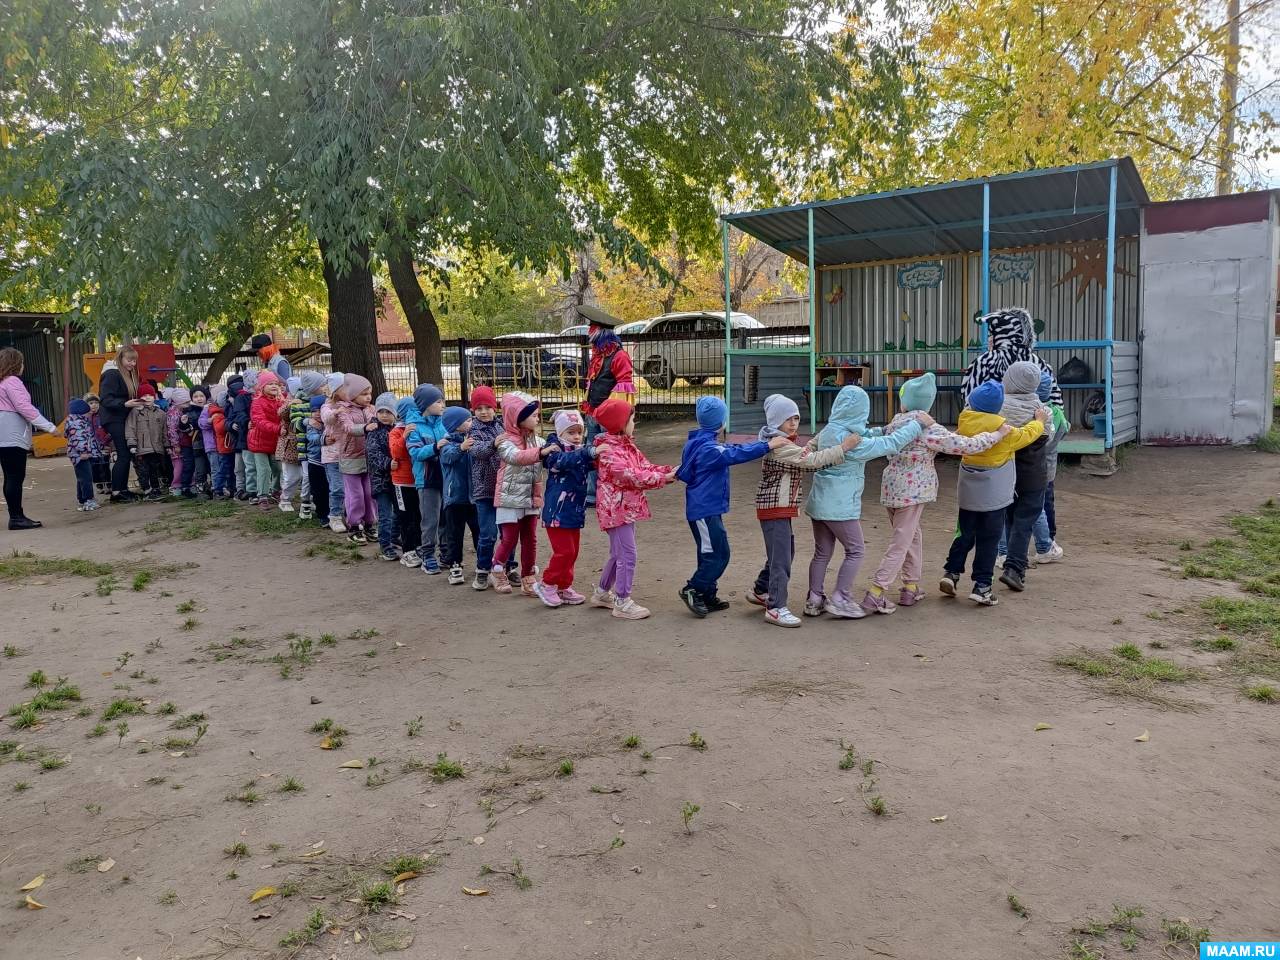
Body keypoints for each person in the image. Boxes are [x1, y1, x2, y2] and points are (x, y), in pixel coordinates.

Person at [860, 373, 1009, 615]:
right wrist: (996, 435)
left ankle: (910, 586)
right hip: (913, 492)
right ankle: (876, 591)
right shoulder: (928, 428)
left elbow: (881, 433)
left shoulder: (897, 420)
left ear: (905, 402)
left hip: (892, 490)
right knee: (901, 541)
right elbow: (965, 446)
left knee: (911, 536)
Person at [803, 385, 926, 620]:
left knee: (822, 552)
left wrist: (882, 429)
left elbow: (867, 434)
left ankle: (814, 598)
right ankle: (841, 597)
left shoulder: (830, 430)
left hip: (819, 503)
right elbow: (891, 444)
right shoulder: (854, 445)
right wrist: (917, 424)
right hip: (840, 507)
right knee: (856, 550)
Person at [748, 394, 861, 628]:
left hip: (778, 509)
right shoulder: (781, 447)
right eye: (787, 419)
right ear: (774, 421)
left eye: (796, 418)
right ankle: (776, 607)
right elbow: (811, 460)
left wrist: (823, 435)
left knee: (783, 553)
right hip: (775, 509)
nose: (793, 423)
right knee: (782, 560)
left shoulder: (781, 441)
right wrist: (843, 447)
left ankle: (761, 590)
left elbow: (805, 453)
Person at [940, 381, 1047, 606]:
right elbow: (1028, 434)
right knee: (989, 541)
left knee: (964, 534)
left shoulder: (964, 423)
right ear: (999, 407)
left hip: (968, 495)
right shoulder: (1004, 431)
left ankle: (951, 572)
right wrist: (1039, 421)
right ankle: (982, 586)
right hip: (995, 498)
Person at [675, 396, 781, 618]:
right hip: (704, 511)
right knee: (719, 555)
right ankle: (693, 589)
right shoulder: (709, 449)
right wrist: (767, 445)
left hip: (707, 509)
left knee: (709, 553)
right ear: (721, 422)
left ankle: (707, 594)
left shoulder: (701, 442)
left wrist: (760, 441)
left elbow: (730, 448)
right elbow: (735, 454)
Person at [591, 398, 676, 620]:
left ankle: (601, 593)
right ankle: (622, 601)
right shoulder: (608, 450)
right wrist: (662, 478)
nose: (634, 424)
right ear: (620, 423)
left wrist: (669, 471)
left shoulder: (626, 444)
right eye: (632, 420)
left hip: (624, 509)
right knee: (627, 554)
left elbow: (644, 466)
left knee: (617, 553)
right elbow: (629, 476)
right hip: (616, 510)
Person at [996, 361, 1054, 593]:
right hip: (1034, 476)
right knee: (1025, 521)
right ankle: (1015, 567)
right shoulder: (1043, 412)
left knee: (1010, 517)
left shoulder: (999, 408)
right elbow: (1046, 441)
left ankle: (1011, 558)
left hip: (1004, 472)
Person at [534, 409, 596, 608]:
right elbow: (561, 463)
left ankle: (563, 585)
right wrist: (588, 453)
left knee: (573, 551)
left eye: (579, 432)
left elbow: (590, 462)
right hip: (557, 512)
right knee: (565, 552)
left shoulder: (580, 450)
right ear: (561, 433)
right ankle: (547, 583)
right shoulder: (554, 450)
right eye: (571, 432)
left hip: (574, 510)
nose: (577, 436)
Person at [491, 391, 550, 596]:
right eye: (533, 415)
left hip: (531, 499)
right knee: (509, 538)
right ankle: (497, 569)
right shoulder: (505, 441)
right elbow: (515, 457)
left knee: (530, 538)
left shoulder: (539, 441)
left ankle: (528, 576)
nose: (537, 418)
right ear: (517, 417)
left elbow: (552, 451)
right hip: (509, 499)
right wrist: (541, 453)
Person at [578, 306, 634, 505]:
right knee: (591, 452)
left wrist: (615, 417)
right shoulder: (597, 356)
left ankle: (612, 492)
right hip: (593, 412)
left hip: (609, 417)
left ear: (601, 332)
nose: (588, 333)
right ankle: (592, 494)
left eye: (592, 328)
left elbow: (624, 388)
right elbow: (591, 383)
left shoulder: (619, 357)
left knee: (611, 454)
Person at [0, 347, 57, 528]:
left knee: (10, 476)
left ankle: (16, 515)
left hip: (4, 434)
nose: (23, 366)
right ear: (16, 364)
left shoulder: (2, 383)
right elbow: (25, 407)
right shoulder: (13, 382)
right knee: (15, 476)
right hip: (11, 434)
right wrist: (49, 427)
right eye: (22, 362)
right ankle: (16, 517)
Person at [961, 307, 1062, 405]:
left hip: (992, 420)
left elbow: (969, 397)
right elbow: (1054, 398)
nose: (989, 340)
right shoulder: (1038, 362)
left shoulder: (985, 361)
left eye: (991, 335)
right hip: (1035, 418)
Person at [405, 383, 448, 574]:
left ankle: (446, 553)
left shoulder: (443, 423)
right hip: (427, 479)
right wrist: (435, 447)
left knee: (447, 518)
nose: (442, 405)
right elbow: (415, 453)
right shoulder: (414, 427)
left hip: (446, 478)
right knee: (430, 520)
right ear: (426, 404)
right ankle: (428, 555)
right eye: (438, 401)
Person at [331, 374, 377, 542]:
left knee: (369, 493)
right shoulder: (343, 410)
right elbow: (348, 428)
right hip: (350, 458)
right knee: (355, 495)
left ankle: (370, 523)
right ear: (353, 395)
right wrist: (366, 427)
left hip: (369, 457)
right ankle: (354, 526)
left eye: (369, 393)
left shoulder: (371, 410)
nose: (368, 397)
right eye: (364, 394)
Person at [466, 385, 503, 590]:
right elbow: (477, 451)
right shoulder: (472, 429)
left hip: (504, 489)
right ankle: (482, 570)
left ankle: (506, 567)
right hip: (484, 490)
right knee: (487, 533)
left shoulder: (502, 427)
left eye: (487, 407)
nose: (483, 412)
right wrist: (494, 444)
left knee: (507, 534)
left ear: (494, 407)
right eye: (479, 408)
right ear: (473, 410)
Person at [439, 405, 480, 585]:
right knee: (455, 534)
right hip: (455, 498)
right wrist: (461, 448)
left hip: (474, 497)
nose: (471, 422)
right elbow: (448, 458)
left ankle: (483, 563)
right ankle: (455, 565)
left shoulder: (472, 439)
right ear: (456, 425)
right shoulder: (447, 443)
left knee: (480, 532)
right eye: (468, 420)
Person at [98, 345, 144, 501]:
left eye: (134, 361)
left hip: (121, 417)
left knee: (125, 455)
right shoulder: (111, 374)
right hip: (113, 418)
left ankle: (122, 489)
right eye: (129, 360)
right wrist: (125, 404)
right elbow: (106, 399)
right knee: (123, 454)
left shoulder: (127, 374)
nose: (132, 364)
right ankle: (117, 492)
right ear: (120, 358)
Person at [388, 398, 423, 567]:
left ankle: (418, 546)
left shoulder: (420, 426)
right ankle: (408, 551)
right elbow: (396, 451)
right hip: (402, 483)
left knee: (418, 516)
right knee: (406, 517)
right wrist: (404, 436)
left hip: (418, 480)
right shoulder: (396, 431)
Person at [284, 372, 324, 516]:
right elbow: (294, 425)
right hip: (305, 447)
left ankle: (318, 501)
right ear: (314, 387)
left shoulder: (324, 401)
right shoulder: (298, 404)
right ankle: (305, 502)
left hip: (322, 446)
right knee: (307, 476)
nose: (325, 386)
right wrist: (308, 421)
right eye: (322, 384)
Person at [366, 391, 400, 560]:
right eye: (381, 412)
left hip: (397, 479)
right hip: (381, 480)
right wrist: (388, 463)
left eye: (388, 412)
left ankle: (394, 537)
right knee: (385, 514)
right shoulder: (374, 431)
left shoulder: (398, 429)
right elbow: (373, 454)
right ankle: (385, 544)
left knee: (400, 511)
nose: (384, 416)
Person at [248, 370, 286, 510]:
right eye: (270, 383)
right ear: (262, 386)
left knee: (277, 468)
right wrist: (277, 429)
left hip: (275, 441)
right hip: (259, 441)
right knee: (264, 469)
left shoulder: (281, 400)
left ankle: (276, 490)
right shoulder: (257, 402)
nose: (274, 386)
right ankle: (262, 496)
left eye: (276, 383)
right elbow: (259, 421)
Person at [127, 383, 172, 500]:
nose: (147, 397)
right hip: (141, 448)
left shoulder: (161, 413)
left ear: (154, 396)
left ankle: (156, 488)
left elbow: (164, 431)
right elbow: (130, 427)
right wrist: (131, 443)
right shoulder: (135, 412)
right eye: (144, 395)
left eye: (150, 395)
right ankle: (147, 490)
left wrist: (167, 445)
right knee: (143, 470)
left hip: (156, 447)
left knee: (155, 469)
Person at [316, 371, 346, 528]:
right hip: (332, 456)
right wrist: (337, 412)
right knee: (337, 488)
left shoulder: (351, 405)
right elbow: (327, 418)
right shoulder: (326, 406)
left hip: (349, 455)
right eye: (345, 387)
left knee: (350, 488)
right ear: (335, 390)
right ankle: (334, 516)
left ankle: (350, 516)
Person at [64, 396, 103, 511]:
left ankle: (82, 499)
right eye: (88, 411)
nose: (90, 412)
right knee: (86, 478)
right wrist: (84, 451)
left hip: (78, 455)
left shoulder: (77, 421)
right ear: (82, 412)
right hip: (81, 455)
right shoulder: (78, 423)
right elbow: (80, 439)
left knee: (82, 477)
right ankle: (89, 500)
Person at [178, 385, 212, 498]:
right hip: (198, 445)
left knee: (212, 466)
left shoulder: (211, 409)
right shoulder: (189, 412)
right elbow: (186, 429)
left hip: (211, 444)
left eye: (201, 396)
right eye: (195, 396)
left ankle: (214, 487)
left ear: (206, 397)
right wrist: (184, 424)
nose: (199, 398)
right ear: (192, 398)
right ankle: (201, 490)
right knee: (200, 468)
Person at [305, 393, 332, 528]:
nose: (316, 414)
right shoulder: (312, 425)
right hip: (315, 461)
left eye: (319, 410)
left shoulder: (330, 423)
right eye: (313, 411)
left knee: (329, 489)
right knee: (318, 490)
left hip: (330, 461)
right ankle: (322, 515)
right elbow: (311, 438)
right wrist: (324, 439)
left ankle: (331, 513)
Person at [208, 386, 236, 498]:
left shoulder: (220, 413)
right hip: (224, 448)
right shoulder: (217, 414)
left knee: (231, 470)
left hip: (229, 446)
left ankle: (231, 488)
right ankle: (218, 489)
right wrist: (228, 421)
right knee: (223, 469)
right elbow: (219, 428)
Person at [84, 392, 112, 498]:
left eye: (96, 403)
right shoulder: (85, 418)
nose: (94, 405)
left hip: (104, 445)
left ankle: (108, 484)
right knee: (94, 466)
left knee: (105, 465)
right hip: (91, 448)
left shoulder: (103, 416)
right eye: (91, 403)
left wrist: (106, 440)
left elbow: (109, 431)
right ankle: (99, 485)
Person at [164, 386, 189, 494]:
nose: (188, 404)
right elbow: (172, 430)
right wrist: (175, 444)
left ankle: (187, 484)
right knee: (178, 465)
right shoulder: (173, 413)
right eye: (186, 402)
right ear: (179, 402)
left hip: (183, 443)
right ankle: (176, 485)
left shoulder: (181, 411)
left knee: (185, 464)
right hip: (177, 445)